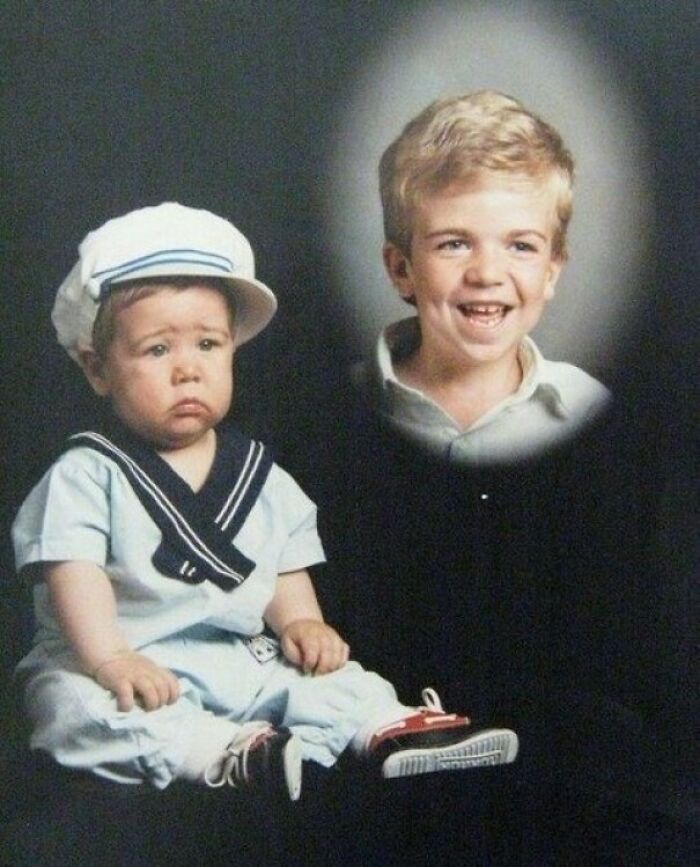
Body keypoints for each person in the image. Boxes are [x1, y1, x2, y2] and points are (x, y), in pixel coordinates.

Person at [12, 202, 518, 801]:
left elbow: (281, 562)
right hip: (125, 657)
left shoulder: (257, 472)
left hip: (236, 656)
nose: (187, 371)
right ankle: (228, 753)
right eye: (156, 351)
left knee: (319, 679)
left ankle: (389, 729)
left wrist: (301, 621)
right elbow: (75, 576)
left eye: (207, 344)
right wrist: (110, 658)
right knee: (72, 707)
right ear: (98, 370)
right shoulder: (85, 474)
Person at [357, 90, 611, 464]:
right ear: (401, 269)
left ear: (551, 272)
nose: (487, 274)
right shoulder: (343, 404)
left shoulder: (593, 412)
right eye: (455, 244)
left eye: (521, 246)